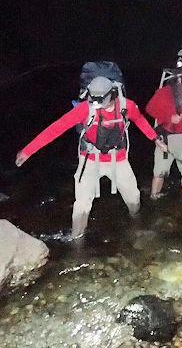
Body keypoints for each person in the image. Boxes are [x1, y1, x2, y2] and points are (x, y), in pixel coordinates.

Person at [15, 76, 167, 238]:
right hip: (90, 159)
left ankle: (136, 224)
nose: (96, 104)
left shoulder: (127, 106)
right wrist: (27, 151)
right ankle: (77, 239)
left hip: (118, 158)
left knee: (133, 196)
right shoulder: (84, 109)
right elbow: (56, 128)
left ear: (112, 95)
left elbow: (140, 120)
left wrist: (155, 139)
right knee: (81, 205)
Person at [146, 69, 182, 198]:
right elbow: (149, 109)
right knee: (159, 172)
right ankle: (154, 197)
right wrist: (168, 117)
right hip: (166, 137)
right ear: (180, 82)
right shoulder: (164, 92)